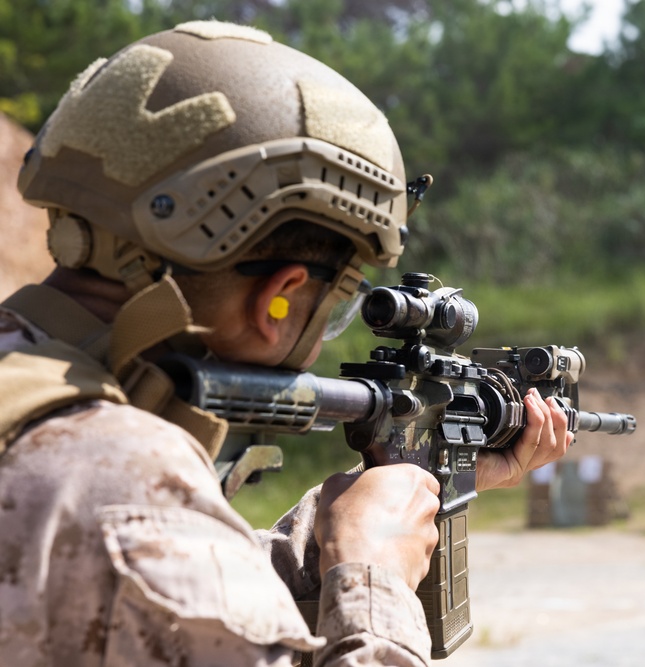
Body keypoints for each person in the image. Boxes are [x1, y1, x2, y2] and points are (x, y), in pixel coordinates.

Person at [0, 20, 572, 666]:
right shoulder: (132, 504)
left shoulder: (39, 408)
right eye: (333, 311)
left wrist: (326, 538)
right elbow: (145, 558)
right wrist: (372, 578)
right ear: (280, 296)